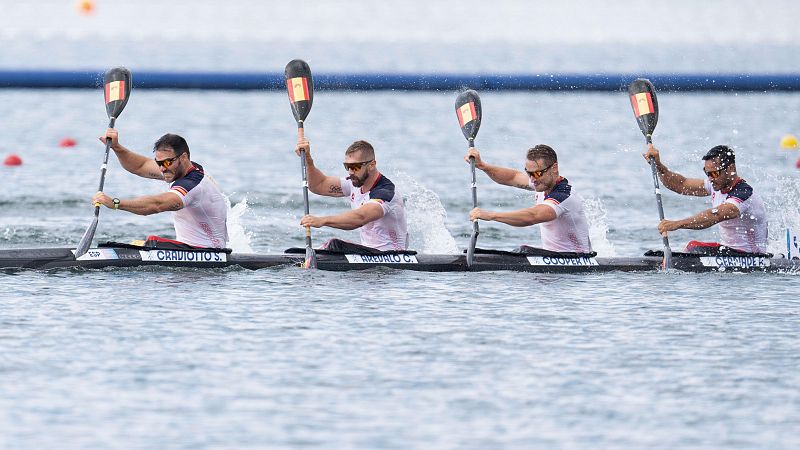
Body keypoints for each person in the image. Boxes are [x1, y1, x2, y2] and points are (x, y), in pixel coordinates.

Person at [91, 130, 228, 248]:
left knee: (152, 242)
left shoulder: (191, 185)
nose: (162, 169)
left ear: (184, 157)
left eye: (166, 162)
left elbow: (157, 205)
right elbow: (140, 166)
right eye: (158, 163)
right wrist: (116, 147)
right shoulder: (181, 168)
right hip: (189, 250)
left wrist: (115, 203)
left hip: (208, 252)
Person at [466, 144, 592, 253]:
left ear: (554, 168)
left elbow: (533, 216)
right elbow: (513, 177)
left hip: (578, 263)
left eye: (536, 173)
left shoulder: (564, 196)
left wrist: (491, 215)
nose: (532, 179)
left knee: (523, 249)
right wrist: (482, 166)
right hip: (553, 259)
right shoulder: (542, 182)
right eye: (529, 173)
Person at [643, 144, 768, 253]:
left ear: (731, 169)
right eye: (707, 173)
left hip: (752, 256)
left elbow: (716, 215)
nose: (710, 178)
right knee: (692, 248)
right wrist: (658, 165)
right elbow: (680, 185)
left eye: (714, 173)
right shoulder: (716, 185)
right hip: (730, 252)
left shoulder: (744, 193)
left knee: (693, 246)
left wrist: (677, 224)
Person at [296, 138, 408, 251]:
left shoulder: (385, 193)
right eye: (347, 166)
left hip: (392, 255)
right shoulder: (354, 183)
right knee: (334, 245)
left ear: (372, 165)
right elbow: (318, 185)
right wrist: (308, 159)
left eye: (355, 167)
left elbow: (361, 217)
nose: (350, 172)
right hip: (369, 253)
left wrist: (323, 220)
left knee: (334, 244)